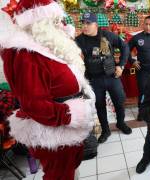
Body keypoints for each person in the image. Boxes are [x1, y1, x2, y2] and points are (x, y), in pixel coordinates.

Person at [0, 0, 96, 179]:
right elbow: (34, 105)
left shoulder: (47, 47)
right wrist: (71, 114)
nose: (61, 25)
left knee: (70, 168)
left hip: (67, 128)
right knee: (59, 174)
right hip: (55, 132)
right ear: (39, 24)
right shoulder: (25, 55)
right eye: (55, 21)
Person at [75, 12, 132, 143]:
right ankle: (105, 130)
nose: (84, 26)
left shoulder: (107, 35)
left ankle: (120, 123)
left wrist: (121, 66)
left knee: (119, 101)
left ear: (95, 24)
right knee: (99, 105)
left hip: (112, 76)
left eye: (88, 23)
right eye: (82, 23)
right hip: (94, 79)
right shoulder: (79, 40)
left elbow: (125, 47)